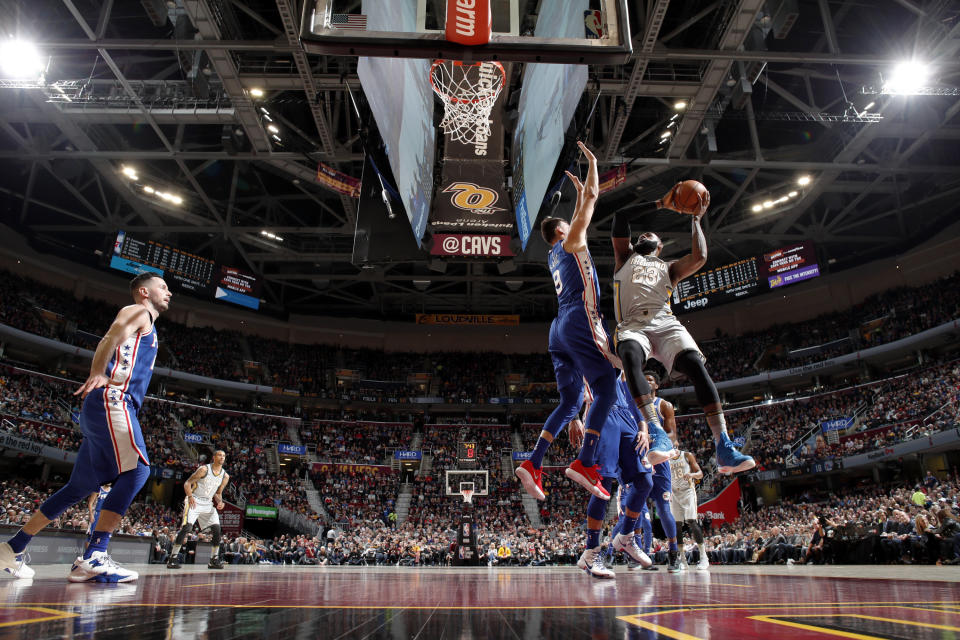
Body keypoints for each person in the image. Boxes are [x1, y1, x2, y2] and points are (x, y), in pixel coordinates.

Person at [0, 273, 170, 582]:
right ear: (144, 292)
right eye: (163, 287)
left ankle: (14, 546)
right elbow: (113, 333)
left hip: (101, 408)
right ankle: (94, 556)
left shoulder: (149, 323)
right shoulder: (139, 311)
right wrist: (97, 371)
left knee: (79, 488)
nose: (168, 292)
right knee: (139, 471)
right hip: (114, 399)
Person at [610, 186, 755, 475]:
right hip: (633, 324)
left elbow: (699, 257)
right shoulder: (624, 257)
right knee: (628, 354)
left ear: (660, 247)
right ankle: (656, 431)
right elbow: (621, 216)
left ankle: (723, 445)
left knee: (695, 365)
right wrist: (662, 203)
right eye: (641, 236)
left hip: (665, 322)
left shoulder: (670, 268)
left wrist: (696, 220)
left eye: (650, 237)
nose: (643, 236)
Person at [516, 141, 624, 502]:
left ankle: (533, 463)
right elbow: (592, 197)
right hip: (580, 317)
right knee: (608, 385)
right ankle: (586, 461)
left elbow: (581, 208)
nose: (576, 222)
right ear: (563, 230)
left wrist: (578, 198)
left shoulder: (553, 254)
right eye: (571, 221)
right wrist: (593, 163)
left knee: (570, 403)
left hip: (558, 327)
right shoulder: (572, 241)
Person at [576, 377, 655, 579]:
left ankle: (626, 536)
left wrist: (643, 427)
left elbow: (632, 394)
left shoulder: (619, 352)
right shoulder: (586, 347)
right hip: (601, 411)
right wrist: (573, 418)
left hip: (625, 415)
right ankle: (591, 551)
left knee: (645, 481)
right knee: (603, 484)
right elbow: (570, 378)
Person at [168, 449, 230, 570]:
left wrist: (220, 502)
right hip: (195, 499)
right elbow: (187, 483)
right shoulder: (204, 469)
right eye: (219, 455)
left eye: (224, 455)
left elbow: (218, 493)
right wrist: (190, 496)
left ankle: (214, 560)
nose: (222, 457)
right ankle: (173, 558)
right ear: (214, 457)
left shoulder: (225, 476)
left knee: (217, 529)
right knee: (187, 527)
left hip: (207, 503)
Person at [669, 441, 709, 570]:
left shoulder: (686, 455)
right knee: (677, 525)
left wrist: (692, 475)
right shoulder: (665, 459)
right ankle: (682, 559)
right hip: (674, 493)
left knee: (691, 521)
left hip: (688, 491)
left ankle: (703, 557)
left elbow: (700, 473)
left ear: (677, 445)